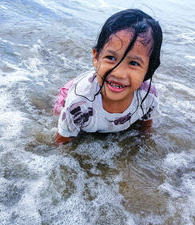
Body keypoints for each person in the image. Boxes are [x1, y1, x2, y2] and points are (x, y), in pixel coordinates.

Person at [54, 9, 163, 144]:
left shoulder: (148, 96)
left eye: (133, 63)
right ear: (96, 57)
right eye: (111, 57)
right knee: (59, 116)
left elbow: (145, 127)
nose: (118, 73)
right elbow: (62, 141)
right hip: (72, 93)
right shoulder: (79, 103)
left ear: (150, 68)